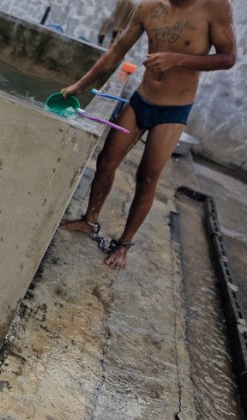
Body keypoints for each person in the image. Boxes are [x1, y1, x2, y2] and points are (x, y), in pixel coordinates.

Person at [59, 0, 236, 270]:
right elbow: (117, 50)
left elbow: (228, 57)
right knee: (106, 161)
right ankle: (89, 220)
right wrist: (80, 84)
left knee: (147, 177)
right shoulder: (148, 8)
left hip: (174, 109)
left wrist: (178, 59)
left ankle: (124, 244)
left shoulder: (215, 6)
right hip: (142, 98)